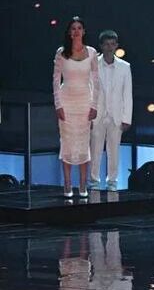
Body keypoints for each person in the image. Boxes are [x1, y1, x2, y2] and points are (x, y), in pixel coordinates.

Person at [52, 17, 101, 199]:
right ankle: (67, 184)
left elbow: (96, 81)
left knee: (83, 142)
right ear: (69, 32)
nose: (76, 31)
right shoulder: (61, 52)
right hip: (66, 101)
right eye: (73, 28)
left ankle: (82, 184)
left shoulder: (92, 52)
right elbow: (56, 80)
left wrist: (94, 105)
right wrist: (58, 104)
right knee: (67, 141)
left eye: (79, 28)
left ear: (84, 31)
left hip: (84, 101)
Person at [91, 29, 132, 192]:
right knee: (95, 149)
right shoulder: (93, 64)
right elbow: (89, 91)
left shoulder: (124, 67)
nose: (109, 47)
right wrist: (89, 114)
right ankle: (94, 180)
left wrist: (127, 118)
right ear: (101, 46)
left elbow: (127, 94)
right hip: (97, 114)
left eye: (112, 44)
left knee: (114, 150)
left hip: (116, 115)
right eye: (107, 44)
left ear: (116, 46)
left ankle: (112, 181)